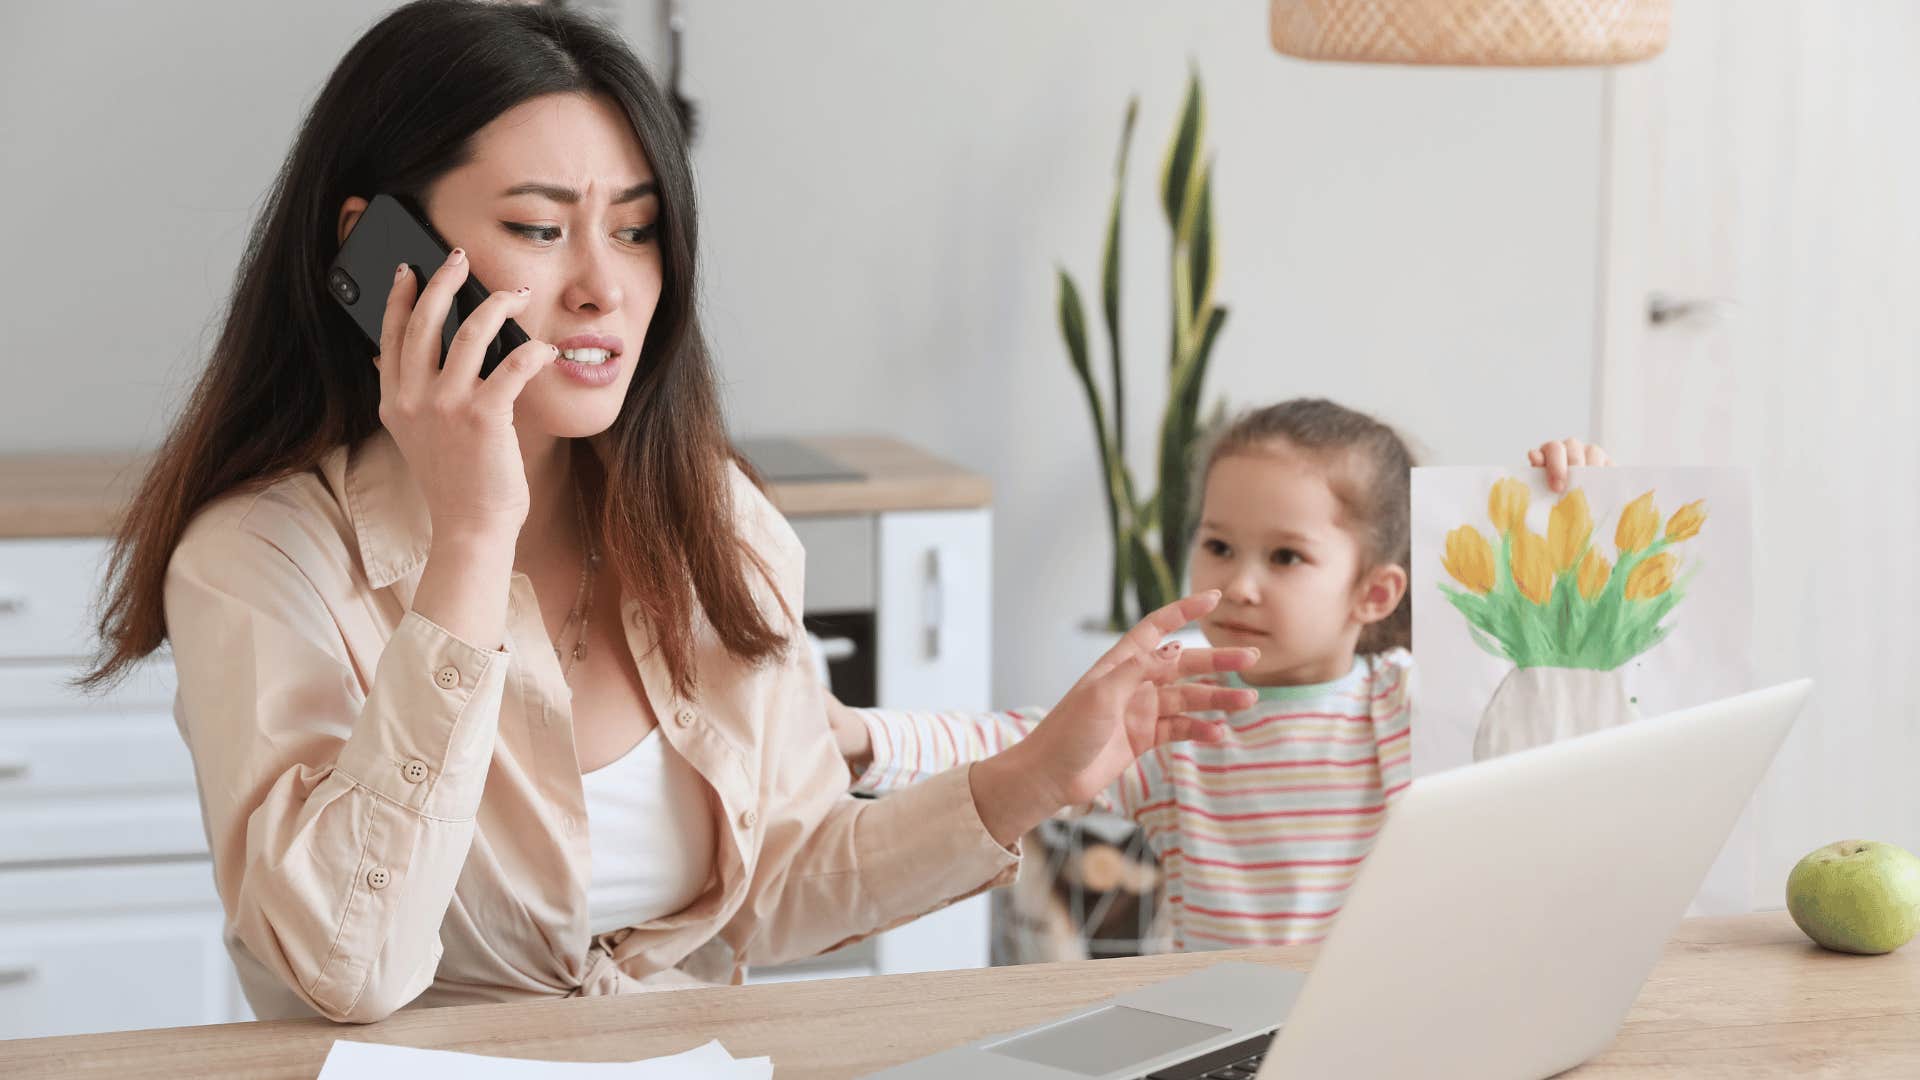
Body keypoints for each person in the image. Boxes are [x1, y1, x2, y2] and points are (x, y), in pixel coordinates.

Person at [78, 0, 1260, 1022]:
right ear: (381, 256)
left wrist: (1035, 777)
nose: (604, 285)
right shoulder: (262, 560)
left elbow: (782, 883)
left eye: (637, 228)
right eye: (540, 230)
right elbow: (350, 966)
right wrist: (472, 542)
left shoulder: (717, 522)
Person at [832, 399, 1610, 949]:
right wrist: (866, 735)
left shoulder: (1412, 702)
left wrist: (1577, 504)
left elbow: (1546, 695)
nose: (1240, 583)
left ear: (1373, 594)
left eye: (1285, 557)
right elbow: (1017, 743)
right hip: (1224, 1044)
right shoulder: (1173, 719)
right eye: (1218, 546)